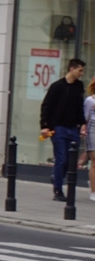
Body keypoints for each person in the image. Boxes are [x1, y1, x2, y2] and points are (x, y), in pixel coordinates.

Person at [40, 58, 87, 201]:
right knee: (61, 158)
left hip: (73, 129)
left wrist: (82, 124)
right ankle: (58, 191)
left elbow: (80, 107)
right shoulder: (57, 86)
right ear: (71, 69)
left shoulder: (79, 86)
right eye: (80, 70)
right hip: (58, 128)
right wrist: (44, 126)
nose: (81, 73)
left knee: (69, 161)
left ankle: (56, 177)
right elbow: (46, 106)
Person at [81, 78, 95, 201]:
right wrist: (83, 129)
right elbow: (84, 118)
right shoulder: (90, 100)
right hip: (93, 129)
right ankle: (93, 192)